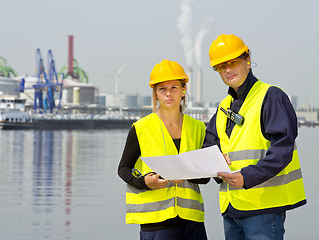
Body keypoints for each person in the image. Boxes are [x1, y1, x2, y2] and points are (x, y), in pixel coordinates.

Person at [203, 34, 307, 240]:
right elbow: (209, 146)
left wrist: (246, 177)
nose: (228, 70)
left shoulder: (271, 96)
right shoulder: (223, 107)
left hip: (263, 209)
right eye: (221, 67)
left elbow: (282, 150)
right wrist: (216, 161)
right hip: (232, 210)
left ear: (248, 61)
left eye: (233, 62)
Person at [118, 59, 209, 240]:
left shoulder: (198, 128)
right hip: (157, 224)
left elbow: (205, 177)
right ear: (156, 93)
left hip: (193, 222)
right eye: (162, 89)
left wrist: (188, 173)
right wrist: (144, 182)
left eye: (174, 88)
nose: (169, 94)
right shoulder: (141, 128)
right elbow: (123, 168)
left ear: (183, 91)